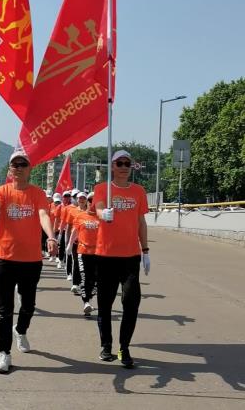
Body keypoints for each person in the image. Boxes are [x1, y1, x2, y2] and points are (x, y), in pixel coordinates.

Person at [0, 150, 58, 374]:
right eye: (15, 164)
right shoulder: (3, 191)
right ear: (10, 169)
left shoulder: (37, 194)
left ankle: (21, 329)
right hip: (5, 258)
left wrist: (51, 236)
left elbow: (44, 215)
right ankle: (3, 353)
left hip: (30, 260)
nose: (18, 168)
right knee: (4, 310)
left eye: (23, 164)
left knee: (28, 305)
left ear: (29, 169)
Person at [93, 150, 150, 368]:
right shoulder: (102, 189)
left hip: (130, 257)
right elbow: (98, 208)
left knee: (131, 301)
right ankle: (106, 345)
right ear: (112, 166)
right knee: (105, 304)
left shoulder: (138, 191)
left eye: (127, 163)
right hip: (105, 255)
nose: (124, 166)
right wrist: (102, 215)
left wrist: (145, 250)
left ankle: (124, 347)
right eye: (119, 163)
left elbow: (141, 222)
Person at [67, 192, 99, 313]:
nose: (92, 203)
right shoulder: (80, 216)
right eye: (90, 200)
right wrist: (69, 246)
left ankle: (89, 298)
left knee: (95, 280)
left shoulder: (102, 217)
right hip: (83, 251)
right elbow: (75, 231)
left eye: (95, 201)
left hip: (98, 253)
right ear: (87, 202)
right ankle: (86, 302)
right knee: (85, 277)